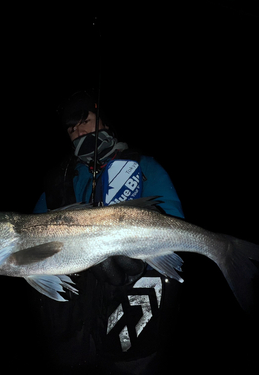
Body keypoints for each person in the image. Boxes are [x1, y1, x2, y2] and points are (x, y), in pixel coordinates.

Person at [32, 91, 184, 374]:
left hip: (130, 326)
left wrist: (140, 263)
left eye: (84, 120)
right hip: (70, 332)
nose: (78, 131)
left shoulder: (145, 168)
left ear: (105, 122)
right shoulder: (58, 182)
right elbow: (33, 237)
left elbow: (173, 224)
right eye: (71, 128)